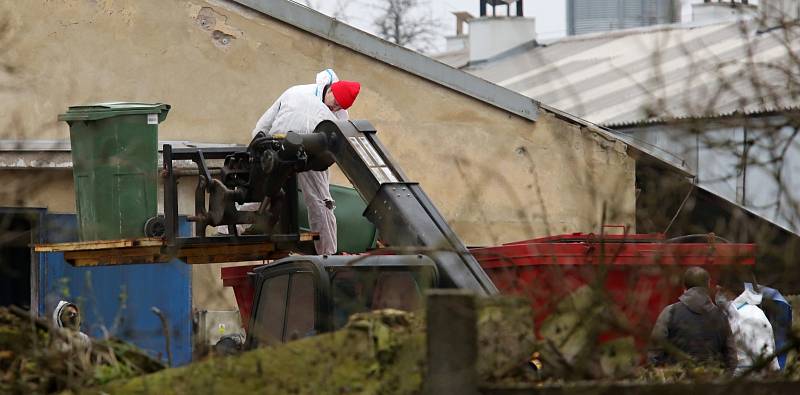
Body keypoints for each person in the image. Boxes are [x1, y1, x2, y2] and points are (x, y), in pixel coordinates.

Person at [250, 69, 361, 255]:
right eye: (335, 103)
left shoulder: (340, 116)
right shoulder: (296, 93)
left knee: (321, 201)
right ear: (331, 90)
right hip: (279, 147)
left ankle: (328, 253)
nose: (335, 109)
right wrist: (257, 141)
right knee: (261, 188)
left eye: (341, 107)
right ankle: (228, 231)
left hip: (311, 157)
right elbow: (267, 119)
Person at [648, 267, 736, 369]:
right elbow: (731, 357)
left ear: (684, 287)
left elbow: (655, 353)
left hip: (677, 380)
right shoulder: (721, 316)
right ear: (708, 285)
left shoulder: (670, 312)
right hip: (713, 380)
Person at [716, 273, 780, 374]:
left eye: (720, 290)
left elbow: (765, 357)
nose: (718, 295)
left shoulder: (751, 316)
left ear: (729, 290)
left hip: (753, 382)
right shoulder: (734, 314)